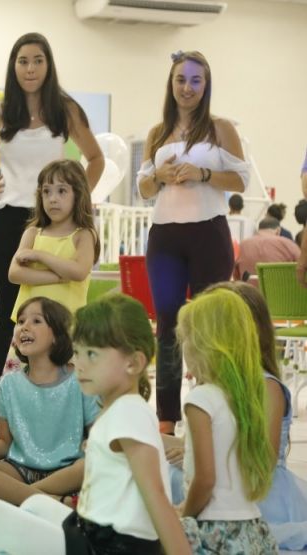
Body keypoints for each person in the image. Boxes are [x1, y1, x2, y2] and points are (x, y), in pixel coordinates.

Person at [0, 294, 191, 555]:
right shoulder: (118, 409)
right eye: (78, 352)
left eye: (92, 354)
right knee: (34, 507)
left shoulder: (127, 415)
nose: (81, 364)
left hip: (113, 546)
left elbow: (156, 496)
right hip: (94, 530)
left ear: (133, 363)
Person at [0, 32, 103, 413]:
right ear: (13, 66)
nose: (30, 68)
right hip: (10, 221)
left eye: (38, 60)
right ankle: (3, 418)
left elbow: (96, 158)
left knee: (56, 317)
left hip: (55, 224)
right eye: (23, 61)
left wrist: (75, 203)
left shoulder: (65, 110)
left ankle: (54, 412)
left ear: (48, 64)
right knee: (12, 316)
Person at [137, 50, 249, 434]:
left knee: (209, 323)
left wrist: (203, 173)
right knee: (168, 325)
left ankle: (211, 405)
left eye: (196, 80)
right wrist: (161, 175)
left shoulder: (221, 129)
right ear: (171, 84)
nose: (187, 87)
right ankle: (166, 418)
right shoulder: (157, 133)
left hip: (209, 233)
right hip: (165, 235)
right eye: (181, 80)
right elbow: (144, 188)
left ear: (206, 85)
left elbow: (241, 180)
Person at [164, 281, 307, 550]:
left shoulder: (264, 386)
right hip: (230, 487)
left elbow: (260, 458)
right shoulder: (219, 390)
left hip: (256, 490)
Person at [0, 296, 98, 507]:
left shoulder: (80, 381)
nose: (24, 327)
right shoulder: (8, 384)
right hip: (19, 470)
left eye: (36, 321)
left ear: (57, 336)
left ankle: (13, 495)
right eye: (20, 321)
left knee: (94, 463)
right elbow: (3, 442)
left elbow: (97, 440)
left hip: (68, 471)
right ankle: (53, 501)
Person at [176, 289, 278, 552]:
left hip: (213, 530)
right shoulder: (246, 397)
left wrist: (183, 514)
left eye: (185, 339)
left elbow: (206, 479)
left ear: (202, 344)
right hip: (250, 527)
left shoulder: (201, 399)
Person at [9, 160, 99, 323]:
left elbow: (78, 272)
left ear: (78, 194)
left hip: (65, 328)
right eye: (46, 192)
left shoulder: (84, 235)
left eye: (61, 191)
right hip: (29, 328)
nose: (52, 199)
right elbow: (14, 274)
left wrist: (39, 255)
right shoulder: (32, 233)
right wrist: (57, 278)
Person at [235, 216, 301, 279]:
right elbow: (302, 265)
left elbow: (236, 274)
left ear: (259, 229)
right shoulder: (287, 244)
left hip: (248, 289)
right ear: (278, 230)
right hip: (280, 288)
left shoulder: (242, 245)